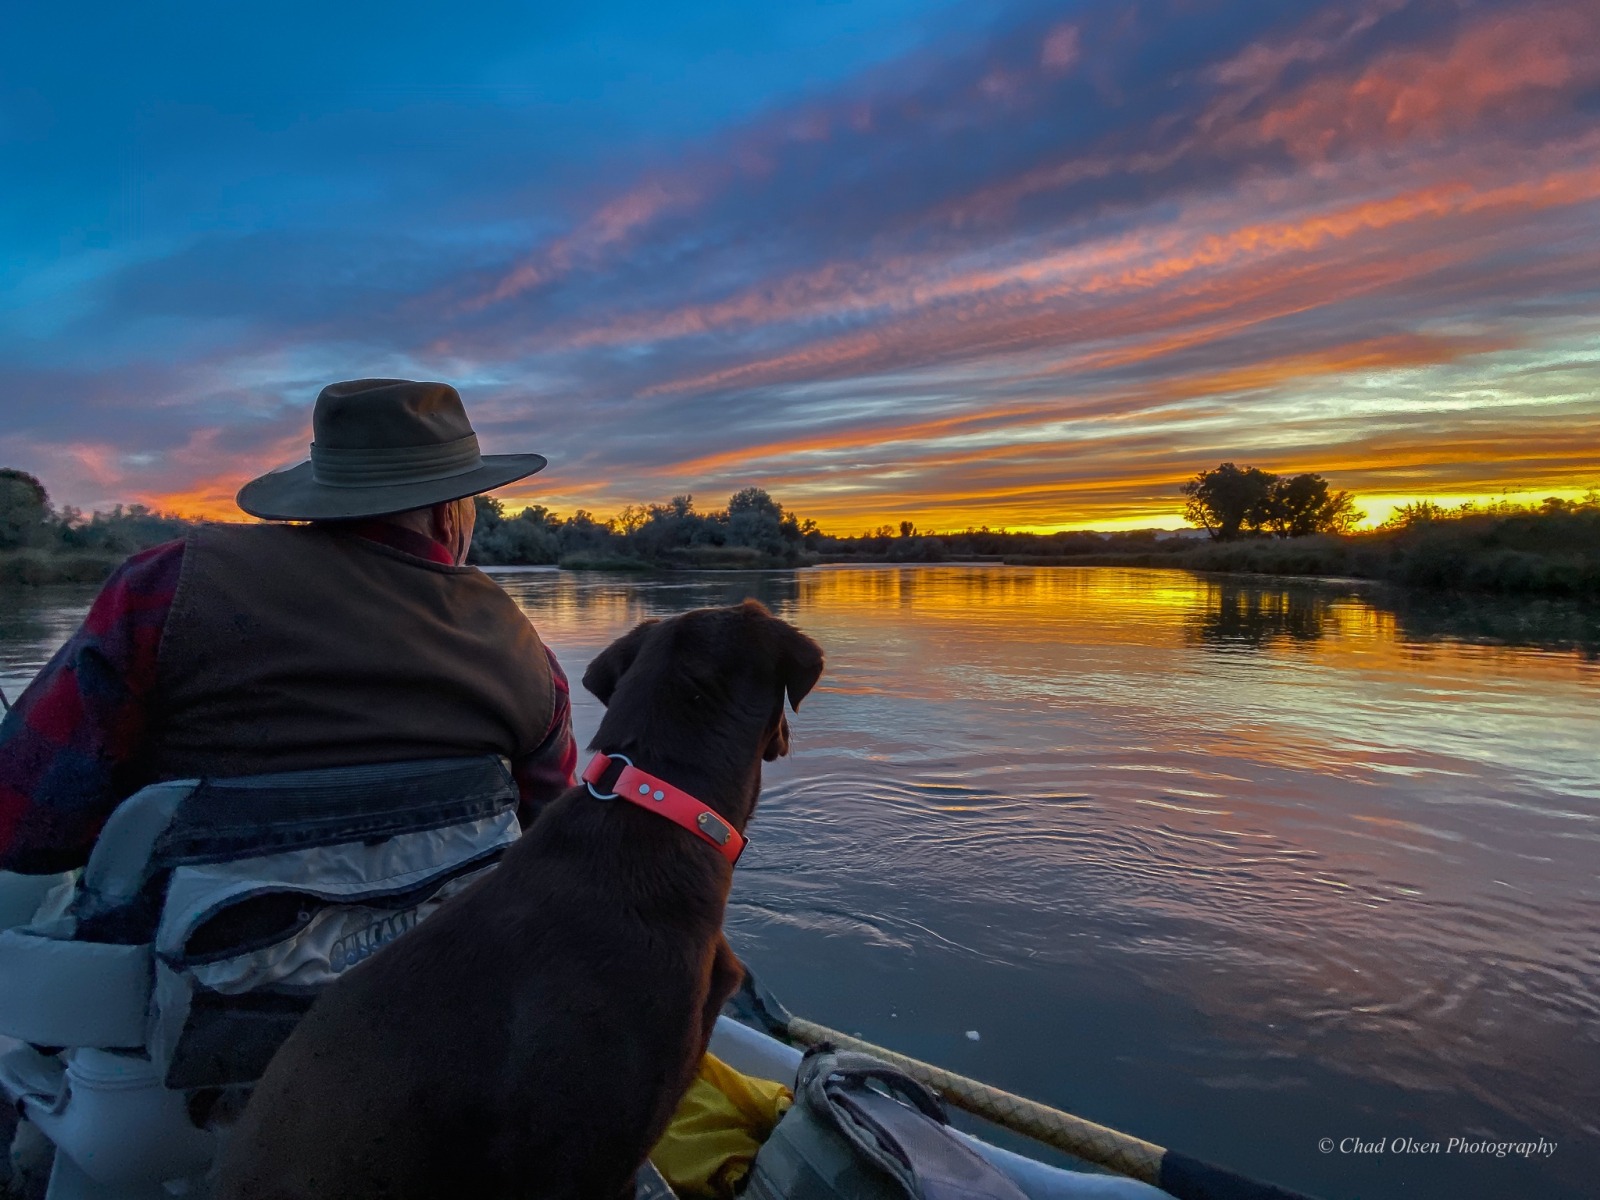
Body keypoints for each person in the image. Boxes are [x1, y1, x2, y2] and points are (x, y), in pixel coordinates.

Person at [0, 378, 576, 875]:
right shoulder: (528, 658)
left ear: (321, 497)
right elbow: (554, 844)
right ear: (451, 512)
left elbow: (25, 834)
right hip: (436, 975)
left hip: (201, 981)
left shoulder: (165, 587)